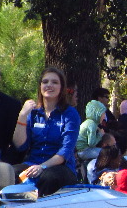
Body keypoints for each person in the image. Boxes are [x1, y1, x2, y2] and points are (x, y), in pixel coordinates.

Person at [11, 67, 80, 196]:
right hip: (33, 163)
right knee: (10, 173)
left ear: (61, 87)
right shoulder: (33, 113)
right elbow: (20, 146)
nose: (49, 85)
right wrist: (22, 116)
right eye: (45, 82)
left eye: (54, 82)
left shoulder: (70, 114)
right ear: (40, 86)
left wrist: (42, 166)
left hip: (60, 168)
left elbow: (65, 152)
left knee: (48, 178)